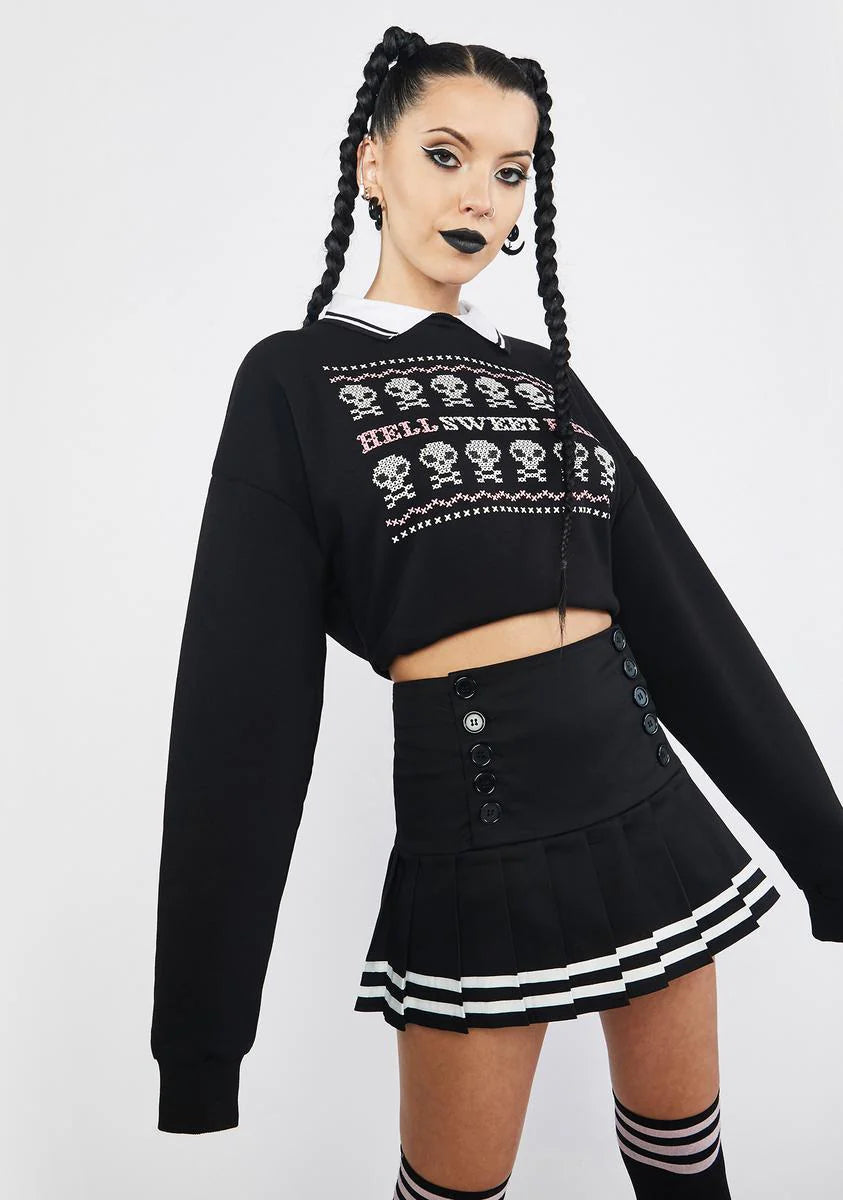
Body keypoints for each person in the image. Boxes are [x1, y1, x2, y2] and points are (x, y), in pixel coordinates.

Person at [150, 27, 843, 1198]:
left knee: (687, 1171)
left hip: (644, 809)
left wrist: (827, 846)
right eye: (446, 154)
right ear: (373, 163)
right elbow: (241, 715)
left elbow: (683, 620)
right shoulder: (291, 383)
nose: (480, 194)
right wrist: (201, 1041)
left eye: (510, 170)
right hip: (475, 842)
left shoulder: (542, 378)